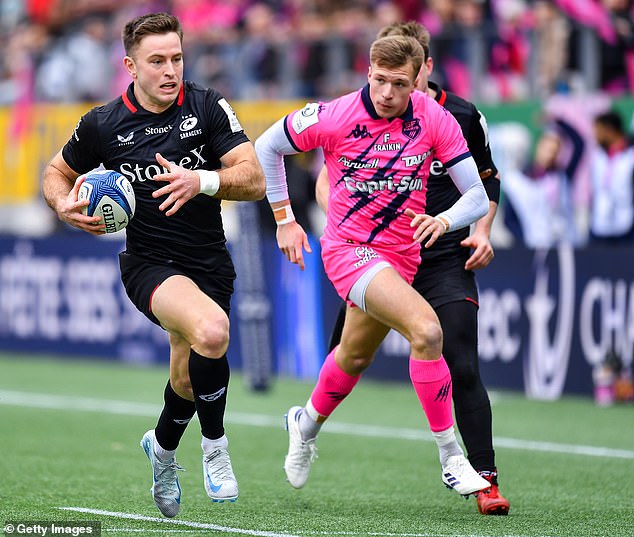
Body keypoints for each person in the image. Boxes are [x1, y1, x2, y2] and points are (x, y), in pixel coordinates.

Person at [41, 12, 265, 518]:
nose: (170, 70)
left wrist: (201, 180)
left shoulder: (207, 106)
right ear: (130, 66)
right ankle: (215, 448)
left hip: (209, 261)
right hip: (149, 264)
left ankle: (162, 451)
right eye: (157, 61)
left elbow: (253, 179)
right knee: (212, 331)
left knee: (187, 380)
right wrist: (62, 205)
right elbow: (56, 172)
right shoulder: (102, 124)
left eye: (177, 58)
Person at [255, 34, 491, 500]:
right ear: (368, 72)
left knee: (353, 356)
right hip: (349, 251)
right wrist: (285, 219)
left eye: (398, 84)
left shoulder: (435, 118)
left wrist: (444, 219)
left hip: (402, 256)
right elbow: (266, 147)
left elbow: (477, 197)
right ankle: (451, 457)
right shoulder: (335, 114)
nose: (386, 93)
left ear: (419, 77)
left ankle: (303, 425)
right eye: (380, 80)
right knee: (426, 331)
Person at [315, 21, 509, 516]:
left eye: (405, 76)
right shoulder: (359, 113)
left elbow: (486, 184)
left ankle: (483, 479)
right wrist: (333, 221)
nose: (391, 88)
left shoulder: (460, 116)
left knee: (460, 357)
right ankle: (306, 427)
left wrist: (481, 230)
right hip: (376, 252)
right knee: (348, 357)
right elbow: (328, 178)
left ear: (425, 67)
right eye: (383, 77)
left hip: (442, 252)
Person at [589, 109, 634, 245]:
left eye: (598, 130)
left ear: (609, 130)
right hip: (599, 225)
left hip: (626, 226)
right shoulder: (598, 155)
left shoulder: (630, 155)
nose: (595, 135)